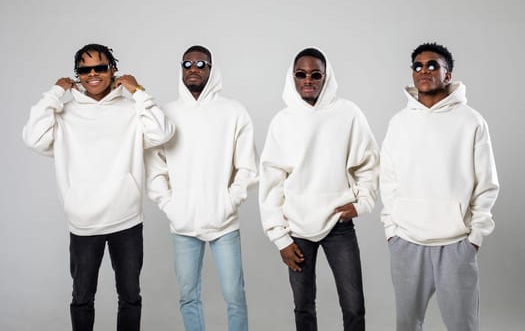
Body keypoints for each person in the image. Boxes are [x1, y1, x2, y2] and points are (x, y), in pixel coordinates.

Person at [22, 43, 175, 331]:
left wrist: (139, 91)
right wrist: (55, 93)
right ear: (77, 75)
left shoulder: (132, 110)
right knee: (82, 298)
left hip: (126, 219)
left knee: (129, 297)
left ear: (112, 70)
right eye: (84, 70)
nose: (92, 74)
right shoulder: (64, 113)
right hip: (83, 222)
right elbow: (33, 137)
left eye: (100, 68)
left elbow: (163, 132)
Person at [380, 42, 500, 331]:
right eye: (418, 66)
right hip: (407, 242)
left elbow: (486, 183)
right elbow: (388, 179)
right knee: (407, 325)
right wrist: (391, 231)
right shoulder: (398, 123)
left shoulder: (471, 121)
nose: (424, 71)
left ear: (448, 75)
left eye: (433, 65)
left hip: (456, 242)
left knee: (462, 325)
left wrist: (475, 237)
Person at [259, 47, 379, 331]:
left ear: (327, 77)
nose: (308, 80)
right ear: (293, 77)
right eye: (301, 74)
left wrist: (362, 203)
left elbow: (369, 163)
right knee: (303, 306)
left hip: (338, 223)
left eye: (316, 74)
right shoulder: (283, 121)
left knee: (353, 306)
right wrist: (280, 237)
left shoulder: (348, 113)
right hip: (296, 229)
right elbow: (271, 183)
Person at [145, 45, 258, 331]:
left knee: (235, 297)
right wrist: (171, 206)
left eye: (200, 63)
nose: (193, 69)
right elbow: (155, 168)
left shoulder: (233, 111)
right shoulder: (166, 113)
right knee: (188, 296)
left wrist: (230, 202)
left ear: (212, 69)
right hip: (183, 224)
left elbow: (247, 166)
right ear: (181, 69)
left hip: (224, 223)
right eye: (187, 64)